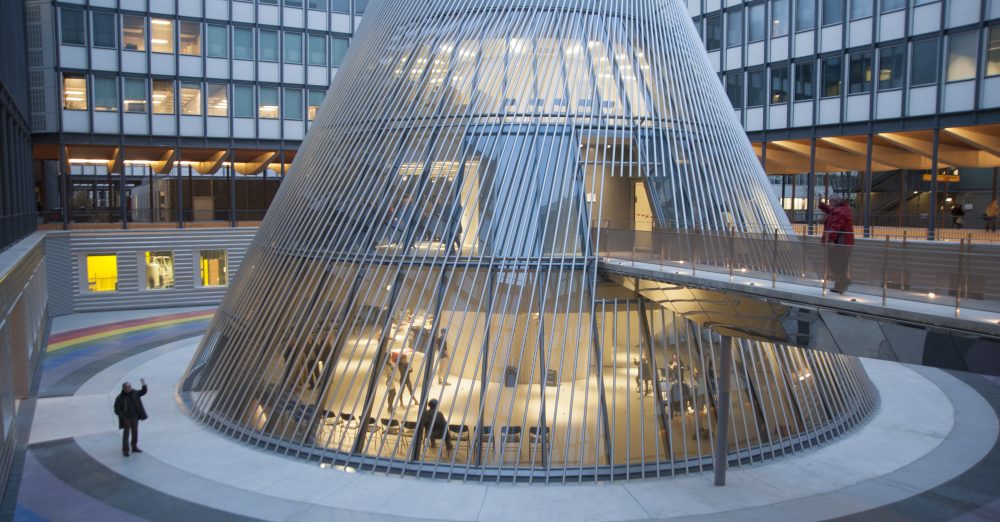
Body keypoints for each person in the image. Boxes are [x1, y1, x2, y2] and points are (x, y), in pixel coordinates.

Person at [819, 197, 855, 293]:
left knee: (833, 262)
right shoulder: (841, 209)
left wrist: (831, 239)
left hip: (839, 243)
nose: (829, 204)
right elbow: (831, 211)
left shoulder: (840, 211)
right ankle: (840, 286)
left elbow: (836, 226)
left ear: (835, 202)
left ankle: (844, 281)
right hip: (844, 242)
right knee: (840, 264)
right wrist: (822, 205)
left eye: (830, 202)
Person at [114, 378, 148, 457]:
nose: (129, 388)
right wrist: (124, 418)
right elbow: (117, 409)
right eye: (127, 387)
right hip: (126, 418)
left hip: (134, 417)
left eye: (130, 386)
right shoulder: (120, 398)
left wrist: (143, 384)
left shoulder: (134, 393)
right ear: (124, 388)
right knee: (126, 434)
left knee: (135, 432)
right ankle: (125, 449)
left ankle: (134, 446)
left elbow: (143, 392)